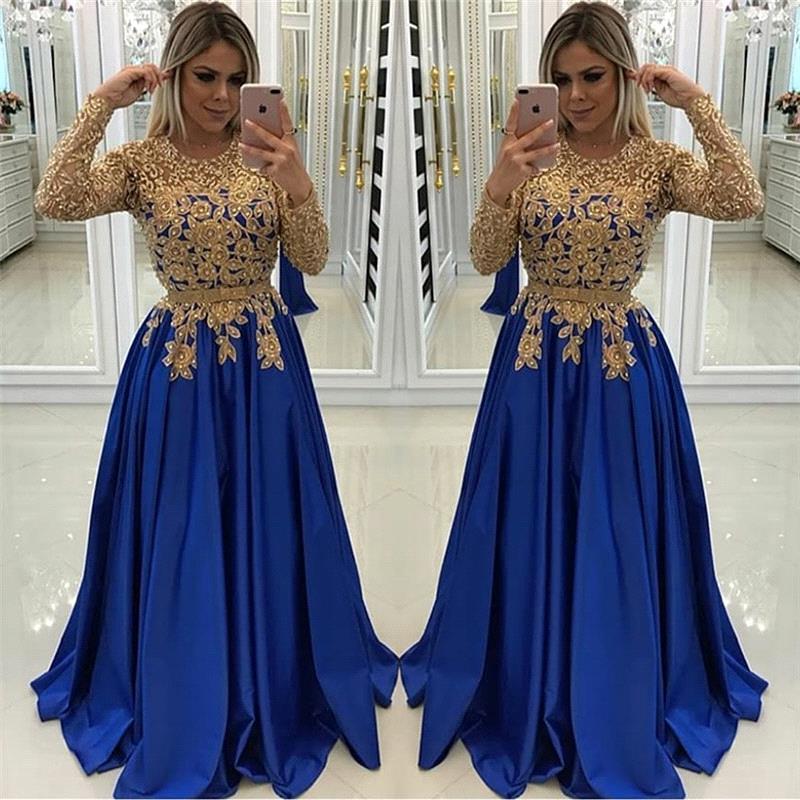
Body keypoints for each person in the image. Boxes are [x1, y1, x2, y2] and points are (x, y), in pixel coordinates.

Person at [29, 3, 397, 797]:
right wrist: (101, 103)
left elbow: (311, 257)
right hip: (177, 367)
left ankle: (275, 668)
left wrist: (298, 182)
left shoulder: (265, 153)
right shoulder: (143, 162)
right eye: (205, 77)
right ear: (173, 75)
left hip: (264, 363)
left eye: (235, 79)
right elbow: (56, 198)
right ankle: (184, 670)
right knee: (182, 521)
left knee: (270, 516)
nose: (222, 96)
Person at [400, 3, 767, 798]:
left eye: (593, 76)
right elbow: (487, 256)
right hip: (534, 363)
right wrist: (501, 179)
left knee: (615, 521)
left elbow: (742, 197)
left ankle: (613, 672)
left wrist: (696, 102)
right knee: (529, 516)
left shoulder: (655, 162)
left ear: (625, 74)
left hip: (622, 368)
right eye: (562, 79)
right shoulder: (533, 152)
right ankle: (523, 668)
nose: (575, 96)